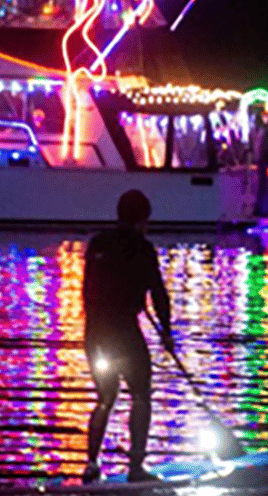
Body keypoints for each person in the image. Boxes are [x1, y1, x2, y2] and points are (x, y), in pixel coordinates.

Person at [81, 189, 174, 484]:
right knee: (141, 395)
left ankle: (91, 464)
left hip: (95, 332)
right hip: (124, 331)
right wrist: (167, 332)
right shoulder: (143, 249)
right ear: (141, 220)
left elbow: (87, 292)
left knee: (105, 397)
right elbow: (158, 294)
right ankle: (135, 467)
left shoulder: (97, 244)